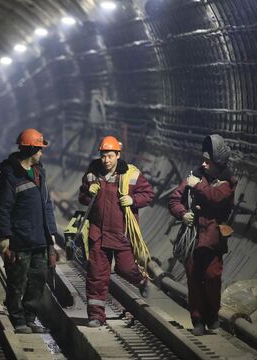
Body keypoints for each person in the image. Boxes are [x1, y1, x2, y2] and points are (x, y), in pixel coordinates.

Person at [79, 136, 154, 327]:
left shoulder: (130, 174)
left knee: (126, 268)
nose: (106, 160)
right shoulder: (92, 173)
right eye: (103, 156)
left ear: (118, 155)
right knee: (96, 274)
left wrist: (133, 200)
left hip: (122, 232)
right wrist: (89, 192)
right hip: (99, 232)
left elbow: (148, 194)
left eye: (110, 156)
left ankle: (141, 281)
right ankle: (96, 315)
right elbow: (82, 197)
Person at [168, 134, 237, 336]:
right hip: (193, 238)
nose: (203, 164)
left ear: (218, 164)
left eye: (208, 161)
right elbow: (174, 200)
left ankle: (212, 315)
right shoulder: (195, 176)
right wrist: (183, 213)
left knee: (212, 277)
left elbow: (216, 198)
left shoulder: (227, 182)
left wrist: (196, 185)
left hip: (213, 238)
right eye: (203, 160)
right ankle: (198, 319)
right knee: (194, 278)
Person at [0, 128, 58, 334]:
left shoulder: (39, 172)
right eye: (39, 149)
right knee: (17, 281)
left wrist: (51, 234)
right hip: (19, 240)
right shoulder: (9, 177)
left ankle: (30, 318)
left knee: (37, 280)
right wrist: (5, 239)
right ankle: (17, 319)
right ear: (30, 150)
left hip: (40, 239)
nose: (41, 153)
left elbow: (47, 205)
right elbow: (2, 209)